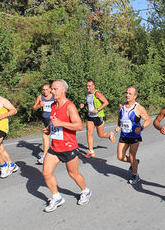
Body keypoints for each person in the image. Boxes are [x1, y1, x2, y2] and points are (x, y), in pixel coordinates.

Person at [42, 79, 92, 212]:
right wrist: (49, 128)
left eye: (55, 89)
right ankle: (56, 197)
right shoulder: (53, 105)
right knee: (46, 172)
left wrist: (61, 124)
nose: (52, 91)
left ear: (63, 90)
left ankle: (85, 191)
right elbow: (55, 122)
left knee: (73, 173)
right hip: (55, 147)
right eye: (51, 89)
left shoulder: (69, 106)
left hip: (69, 146)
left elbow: (79, 125)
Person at [115, 86, 152, 185]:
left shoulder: (139, 108)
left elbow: (148, 120)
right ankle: (134, 162)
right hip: (124, 135)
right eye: (126, 93)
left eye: (130, 94)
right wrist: (119, 125)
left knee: (132, 156)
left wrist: (141, 128)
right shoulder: (121, 105)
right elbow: (120, 116)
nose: (127, 95)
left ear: (135, 96)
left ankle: (135, 175)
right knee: (119, 156)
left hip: (134, 137)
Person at [79, 79, 115, 158]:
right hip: (90, 116)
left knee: (100, 134)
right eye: (87, 86)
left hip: (98, 116)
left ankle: (109, 135)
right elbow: (89, 103)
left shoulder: (97, 93)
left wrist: (97, 110)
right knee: (89, 133)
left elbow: (106, 102)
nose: (87, 87)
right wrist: (84, 105)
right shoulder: (88, 94)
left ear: (93, 86)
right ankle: (91, 151)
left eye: (89, 86)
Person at [33, 83, 54, 164]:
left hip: (53, 119)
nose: (45, 91)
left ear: (50, 90)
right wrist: (39, 105)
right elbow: (34, 107)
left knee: (45, 135)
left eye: (46, 89)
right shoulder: (40, 97)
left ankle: (45, 156)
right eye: (43, 90)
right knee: (52, 136)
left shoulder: (53, 96)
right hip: (45, 119)